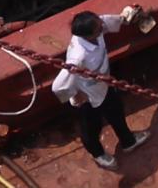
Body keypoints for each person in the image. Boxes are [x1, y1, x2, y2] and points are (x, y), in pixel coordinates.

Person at [52, 11, 123, 169]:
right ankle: (98, 154)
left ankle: (128, 141)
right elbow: (58, 86)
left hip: (104, 84)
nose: (102, 27)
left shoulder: (95, 26)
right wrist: (77, 94)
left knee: (117, 112)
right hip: (88, 96)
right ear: (88, 36)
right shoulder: (78, 57)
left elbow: (107, 21)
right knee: (91, 128)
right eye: (98, 28)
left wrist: (126, 17)